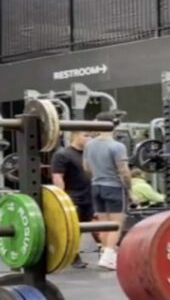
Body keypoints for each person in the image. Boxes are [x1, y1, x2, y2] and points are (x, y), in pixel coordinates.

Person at [83, 111, 131, 271]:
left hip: (96, 186)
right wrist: (130, 189)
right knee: (116, 225)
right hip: (114, 187)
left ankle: (106, 255)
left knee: (104, 224)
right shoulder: (117, 146)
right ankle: (109, 255)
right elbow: (123, 171)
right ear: (114, 125)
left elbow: (86, 167)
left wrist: (99, 174)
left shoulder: (89, 144)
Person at [51, 131, 93, 269]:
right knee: (74, 230)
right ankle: (73, 256)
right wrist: (62, 198)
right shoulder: (63, 154)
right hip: (73, 197)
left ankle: (107, 253)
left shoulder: (89, 154)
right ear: (74, 136)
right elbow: (58, 177)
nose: (89, 138)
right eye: (85, 135)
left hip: (89, 195)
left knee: (95, 226)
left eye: (91, 136)